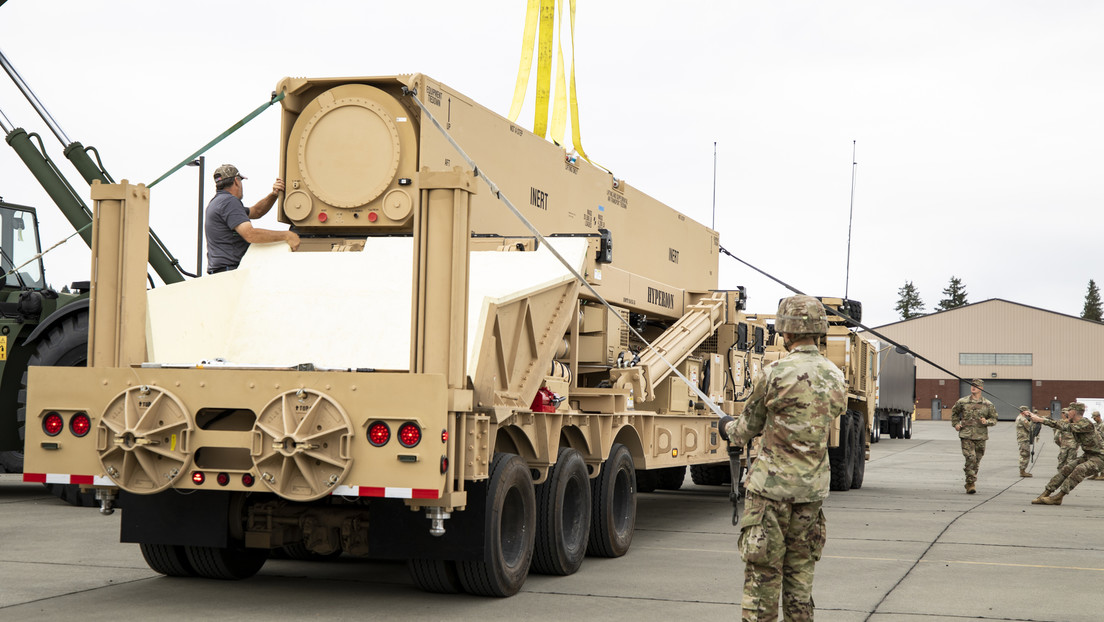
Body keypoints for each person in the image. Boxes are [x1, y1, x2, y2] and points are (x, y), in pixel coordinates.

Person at [718, 295, 846, 621]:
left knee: (762, 578)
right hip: (811, 494)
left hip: (770, 495)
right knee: (800, 577)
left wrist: (726, 427)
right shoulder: (835, 376)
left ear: (786, 332)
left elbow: (746, 429)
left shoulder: (775, 373)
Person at [204, 164, 299, 274]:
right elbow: (250, 234)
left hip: (220, 272)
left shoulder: (217, 203)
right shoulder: (230, 202)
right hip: (230, 271)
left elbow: (256, 211)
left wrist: (274, 194)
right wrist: (287, 235)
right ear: (236, 181)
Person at [1028, 402, 1104, 505]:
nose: (1067, 413)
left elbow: (1063, 426)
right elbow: (1057, 422)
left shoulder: (1086, 424)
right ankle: (1045, 493)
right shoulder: (1073, 422)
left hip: (1100, 457)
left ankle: (1058, 497)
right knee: (1066, 468)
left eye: (1069, 410)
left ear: (1074, 412)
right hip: (1088, 455)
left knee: (1080, 469)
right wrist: (1035, 417)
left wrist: (1040, 420)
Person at [950, 379, 997, 494]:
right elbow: (954, 412)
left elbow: (994, 419)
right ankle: (971, 483)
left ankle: (969, 480)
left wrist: (987, 422)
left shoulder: (988, 404)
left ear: (981, 388)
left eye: (976, 386)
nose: (973, 387)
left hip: (981, 436)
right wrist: (956, 424)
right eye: (972, 385)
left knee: (977, 461)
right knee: (971, 458)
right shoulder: (963, 402)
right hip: (966, 435)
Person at [1015, 406, 1036, 477]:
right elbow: (1030, 427)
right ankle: (1022, 471)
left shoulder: (1019, 417)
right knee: (1025, 454)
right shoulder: (1023, 419)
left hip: (1022, 439)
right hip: (1023, 439)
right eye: (1027, 411)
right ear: (1023, 412)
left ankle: (1022, 470)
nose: (1029, 413)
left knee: (1024, 454)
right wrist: (1033, 419)